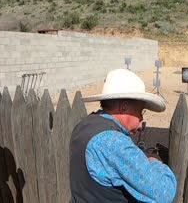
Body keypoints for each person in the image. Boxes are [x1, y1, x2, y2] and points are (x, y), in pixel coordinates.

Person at [70, 68, 177, 202]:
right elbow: (164, 192)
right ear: (124, 107)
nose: (140, 121)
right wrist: (154, 162)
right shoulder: (113, 142)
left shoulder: (84, 125)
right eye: (140, 111)